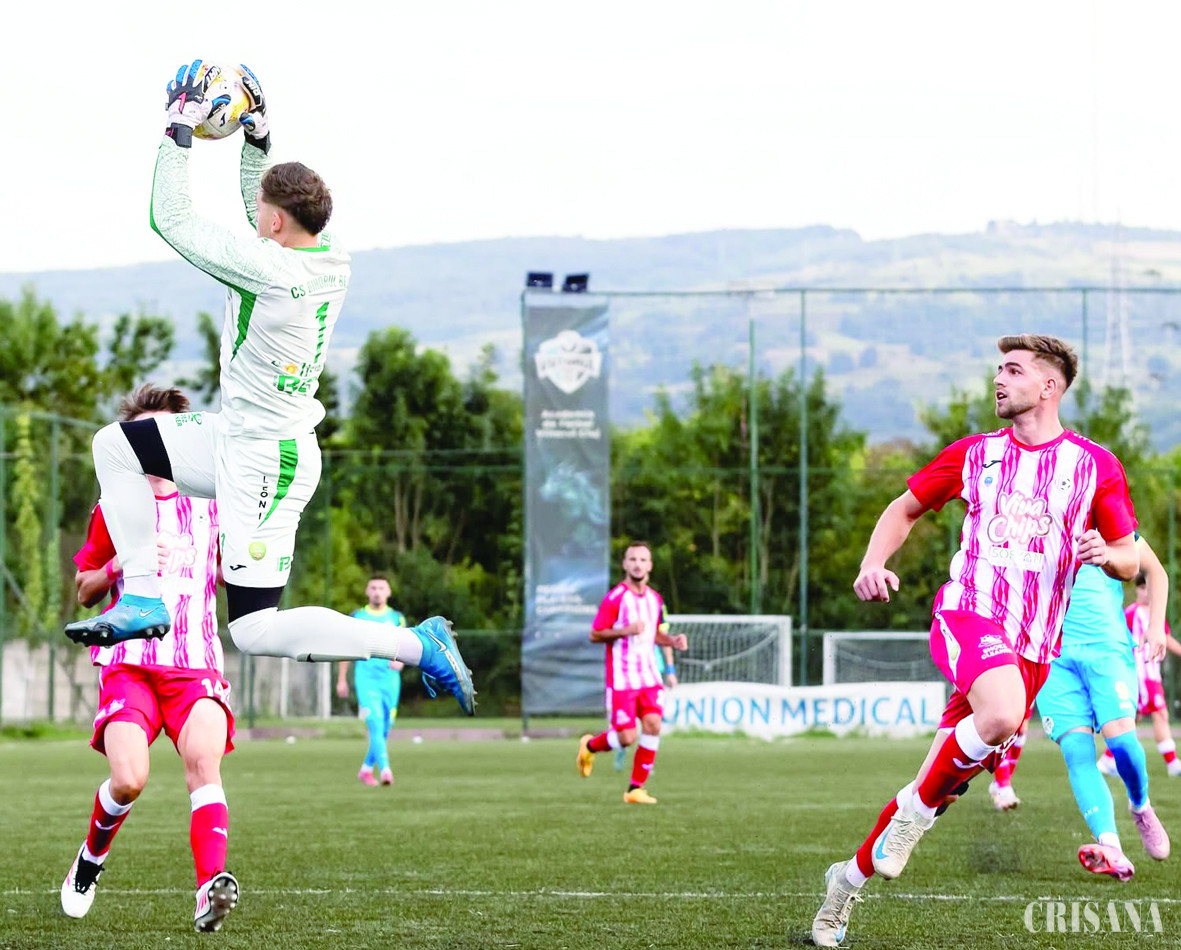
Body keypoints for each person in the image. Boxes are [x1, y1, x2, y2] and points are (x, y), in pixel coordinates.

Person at [61, 61, 474, 718]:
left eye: (260, 211)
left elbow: (171, 218)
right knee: (117, 445)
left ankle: (415, 645)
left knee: (253, 629)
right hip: (236, 434)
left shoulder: (270, 272)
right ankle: (140, 593)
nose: (254, 216)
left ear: (276, 224)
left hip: (267, 461)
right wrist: (257, 137)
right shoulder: (328, 254)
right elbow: (270, 209)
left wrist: (178, 126)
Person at [812, 334, 1139, 947]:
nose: (998, 379)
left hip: (1032, 651)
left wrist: (1108, 554)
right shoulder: (975, 454)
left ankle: (844, 884)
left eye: (1013, 371)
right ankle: (911, 822)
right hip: (969, 613)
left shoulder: (1095, 466)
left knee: (931, 785)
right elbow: (904, 509)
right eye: (998, 370)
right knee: (1002, 715)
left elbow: (1130, 557)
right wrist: (872, 562)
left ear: (1049, 386)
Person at [60, 385, 238, 933]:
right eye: (143, 432)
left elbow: (238, 566)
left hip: (195, 663)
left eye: (164, 430)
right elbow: (84, 589)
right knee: (129, 780)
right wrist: (120, 565)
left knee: (204, 762)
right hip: (130, 664)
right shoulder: (115, 504)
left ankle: (209, 888)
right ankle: (89, 862)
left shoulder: (215, 501)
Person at [1030, 535, 1170, 881]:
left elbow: (1156, 571)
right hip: (1052, 655)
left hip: (1107, 648)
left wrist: (1156, 627)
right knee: (1077, 751)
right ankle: (1111, 846)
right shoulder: (1028, 522)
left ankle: (1140, 805)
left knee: (1122, 743)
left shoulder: (1105, 516)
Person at [576, 542, 688, 804]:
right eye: (633, 559)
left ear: (650, 566)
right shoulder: (615, 598)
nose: (638, 564)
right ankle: (589, 746)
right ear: (625, 564)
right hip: (622, 679)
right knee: (626, 738)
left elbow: (654, 634)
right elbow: (595, 634)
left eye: (643, 560)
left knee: (653, 725)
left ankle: (636, 788)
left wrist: (672, 641)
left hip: (649, 676)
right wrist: (626, 630)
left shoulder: (655, 599)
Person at [1097, 570, 1181, 777]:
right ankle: (1172, 763)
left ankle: (1108, 760)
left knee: (1132, 718)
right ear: (1137, 590)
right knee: (1160, 713)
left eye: (1149, 588)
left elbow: (1165, 637)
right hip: (1140, 675)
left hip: (1151, 674)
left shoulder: (1154, 614)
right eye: (1143, 588)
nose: (1147, 592)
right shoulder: (1132, 613)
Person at [336, 577, 406, 786]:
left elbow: (406, 645)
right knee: (375, 723)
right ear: (367, 591)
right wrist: (341, 679)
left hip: (390, 681)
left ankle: (366, 770)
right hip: (366, 680)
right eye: (373, 588)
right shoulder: (357, 617)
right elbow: (346, 648)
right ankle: (385, 771)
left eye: (381, 588)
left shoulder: (397, 618)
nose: (377, 591)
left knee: (385, 728)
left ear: (389, 592)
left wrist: (401, 661)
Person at [614, 604, 678, 771]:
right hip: (628, 668)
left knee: (650, 719)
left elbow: (664, 637)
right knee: (627, 720)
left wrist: (670, 670)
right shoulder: (623, 602)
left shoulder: (657, 605)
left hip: (653, 668)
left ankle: (645, 761)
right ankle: (621, 746)